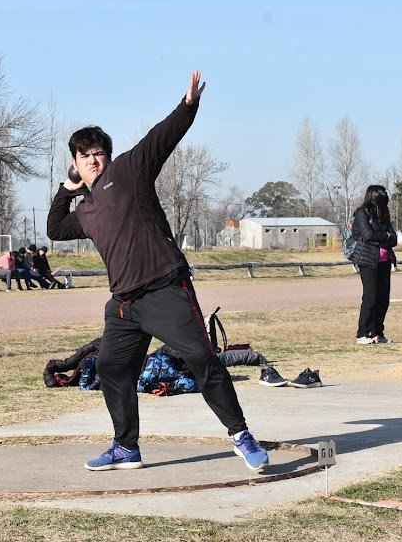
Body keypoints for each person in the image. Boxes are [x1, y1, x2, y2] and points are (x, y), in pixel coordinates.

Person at [47, 71, 269, 473]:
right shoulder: (86, 212)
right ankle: (125, 447)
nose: (93, 160)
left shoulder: (130, 170)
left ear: (107, 155)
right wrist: (68, 188)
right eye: (84, 156)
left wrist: (188, 105)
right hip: (125, 305)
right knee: (112, 367)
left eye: (98, 152)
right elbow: (54, 228)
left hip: (165, 289)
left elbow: (162, 136)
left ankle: (241, 435)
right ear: (76, 163)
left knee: (202, 358)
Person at [349, 185, 397, 345]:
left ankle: (378, 333)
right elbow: (368, 235)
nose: (385, 197)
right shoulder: (362, 213)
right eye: (382, 195)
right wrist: (385, 236)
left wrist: (382, 238)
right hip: (367, 260)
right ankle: (362, 333)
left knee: (384, 299)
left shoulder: (384, 214)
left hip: (385, 261)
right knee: (371, 297)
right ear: (374, 196)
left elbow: (394, 239)